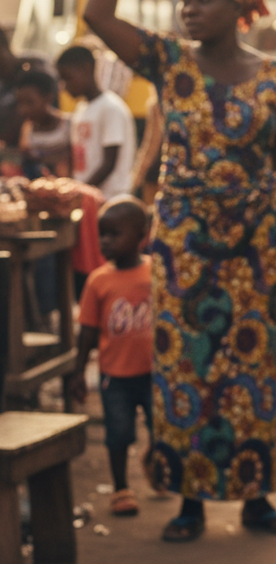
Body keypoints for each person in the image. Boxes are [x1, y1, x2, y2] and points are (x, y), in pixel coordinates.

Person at [82, 0, 276, 543]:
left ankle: (256, 500)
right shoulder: (169, 63)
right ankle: (190, 500)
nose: (188, 10)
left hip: (258, 249)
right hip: (185, 249)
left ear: (239, 1)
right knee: (185, 367)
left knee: (257, 370)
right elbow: (97, 15)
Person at [70, 197, 153, 518]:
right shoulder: (98, 281)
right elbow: (87, 332)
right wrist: (78, 372)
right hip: (114, 376)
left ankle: (157, 466)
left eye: (114, 234)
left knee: (161, 428)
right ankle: (120, 488)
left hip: (151, 374)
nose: (105, 242)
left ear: (141, 236)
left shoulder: (154, 274)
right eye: (101, 234)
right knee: (118, 434)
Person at [57, 45, 136, 198]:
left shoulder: (111, 108)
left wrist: (80, 190)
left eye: (67, 78)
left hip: (110, 198)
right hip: (88, 197)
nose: (64, 86)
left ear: (86, 69)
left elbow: (109, 163)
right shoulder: (81, 109)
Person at [14, 69, 71, 179]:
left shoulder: (68, 124)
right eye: (20, 102)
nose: (23, 110)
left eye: (29, 102)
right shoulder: (27, 128)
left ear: (48, 98)